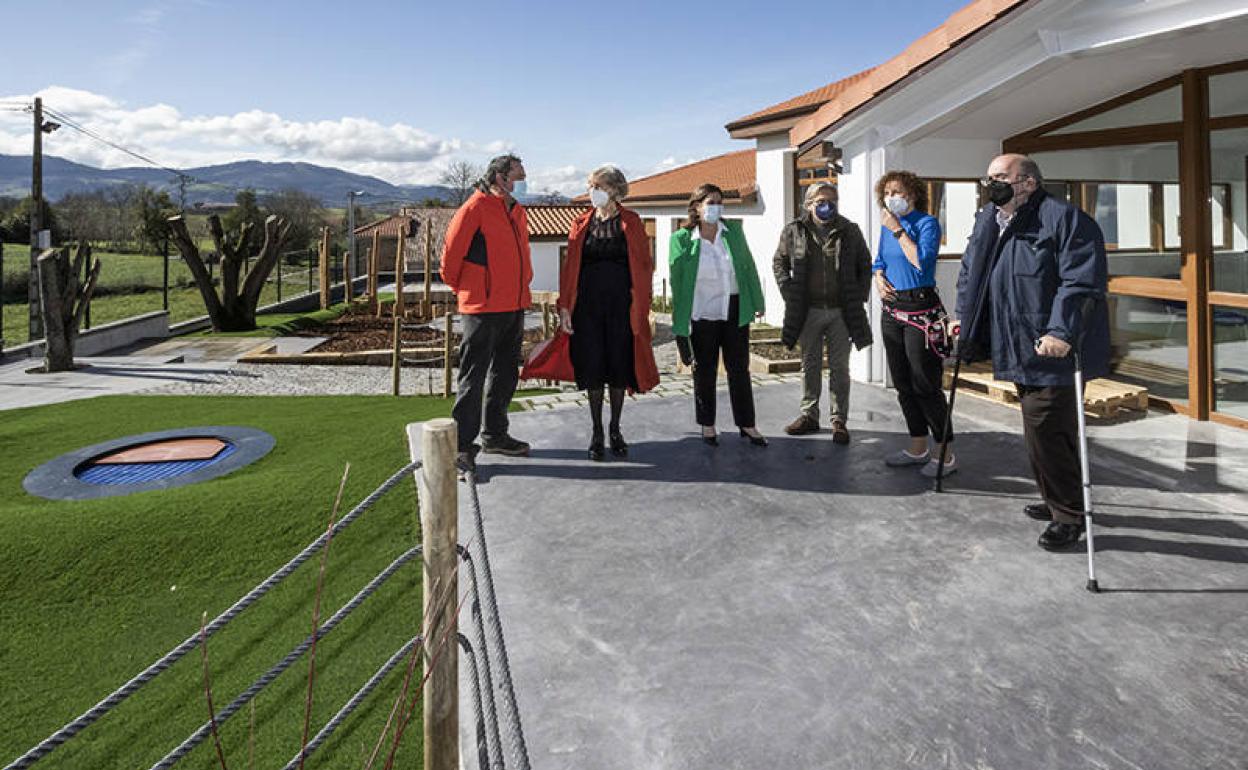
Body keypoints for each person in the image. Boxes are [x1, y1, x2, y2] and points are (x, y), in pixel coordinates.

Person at [955, 153, 1110, 550]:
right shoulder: (992, 220)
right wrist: (964, 316)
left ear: (1028, 183)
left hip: (1049, 348)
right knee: (1042, 429)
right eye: (987, 177)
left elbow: (1080, 282)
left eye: (1000, 177)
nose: (991, 184)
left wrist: (1061, 331)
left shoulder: (1064, 219)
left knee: (1046, 429)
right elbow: (972, 271)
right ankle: (1055, 497)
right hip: (1014, 341)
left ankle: (1069, 515)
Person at [557, 165, 660, 461]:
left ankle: (615, 428)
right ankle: (596, 431)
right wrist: (565, 307)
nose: (592, 191)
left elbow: (643, 268)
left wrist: (643, 307)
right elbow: (569, 270)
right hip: (587, 309)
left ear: (614, 189)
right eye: (590, 185)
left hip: (620, 309)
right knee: (592, 370)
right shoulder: (580, 223)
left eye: (597, 186)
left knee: (617, 368)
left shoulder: (632, 222)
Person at [441, 153, 534, 472]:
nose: (523, 183)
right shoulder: (474, 207)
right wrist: (471, 290)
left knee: (506, 374)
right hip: (482, 306)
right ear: (500, 178)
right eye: (519, 177)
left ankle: (495, 435)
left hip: (514, 303)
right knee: (473, 376)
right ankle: (461, 446)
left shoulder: (517, 210)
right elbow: (450, 260)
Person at [773, 181, 873, 444]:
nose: (826, 205)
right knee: (810, 365)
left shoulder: (849, 230)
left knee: (840, 367)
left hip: (841, 312)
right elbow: (779, 262)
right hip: (809, 311)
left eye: (831, 200)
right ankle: (809, 415)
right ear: (809, 204)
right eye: (820, 201)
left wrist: (859, 296)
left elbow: (865, 263)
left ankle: (839, 420)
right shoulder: (794, 230)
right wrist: (789, 292)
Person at [669, 184, 768, 447]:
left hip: (734, 309)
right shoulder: (681, 239)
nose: (716, 207)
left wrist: (757, 300)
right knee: (705, 370)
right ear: (697, 207)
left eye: (719, 202)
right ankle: (708, 425)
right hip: (702, 313)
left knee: (739, 369)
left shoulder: (733, 232)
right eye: (710, 202)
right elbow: (678, 285)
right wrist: (679, 322)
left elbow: (748, 267)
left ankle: (747, 424)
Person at [873, 171, 956, 478]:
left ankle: (945, 454)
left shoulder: (926, 223)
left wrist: (897, 231)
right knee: (904, 385)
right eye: (888, 192)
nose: (892, 197)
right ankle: (917, 446)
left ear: (913, 195)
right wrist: (878, 277)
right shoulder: (885, 227)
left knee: (926, 384)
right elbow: (879, 259)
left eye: (899, 191)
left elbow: (922, 261)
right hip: (892, 311)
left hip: (921, 310)